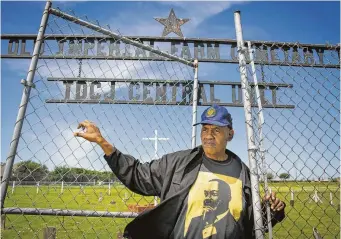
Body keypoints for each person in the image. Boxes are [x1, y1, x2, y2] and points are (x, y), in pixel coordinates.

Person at [74, 104, 286, 239]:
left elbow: (252, 223)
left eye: (216, 130)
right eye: (205, 129)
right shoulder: (178, 163)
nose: (208, 135)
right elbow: (138, 176)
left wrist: (273, 211)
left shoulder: (243, 173)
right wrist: (103, 143)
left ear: (230, 134)